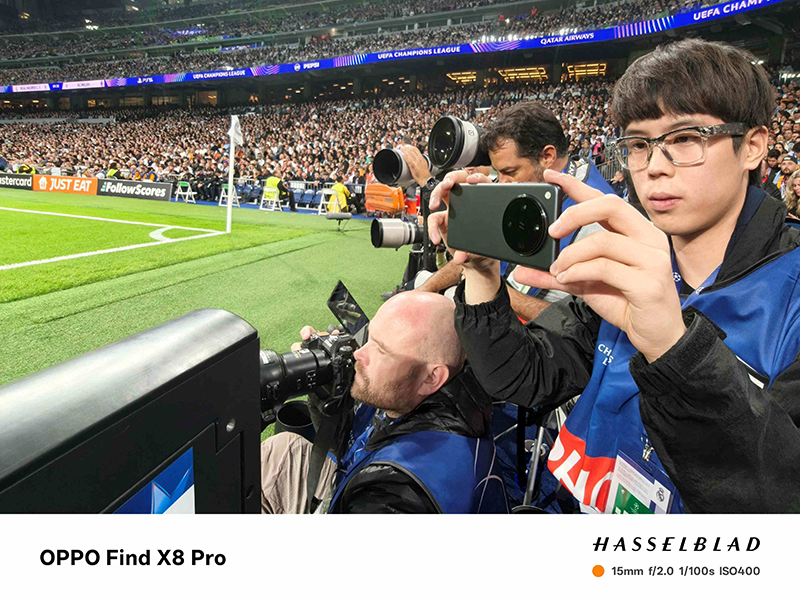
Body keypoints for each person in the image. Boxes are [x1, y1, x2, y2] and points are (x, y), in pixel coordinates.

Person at [434, 38, 800, 513]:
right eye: (639, 144)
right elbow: (525, 377)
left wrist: (673, 347)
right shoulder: (630, 256)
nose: (654, 168)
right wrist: (482, 273)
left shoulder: (789, 292)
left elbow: (779, 500)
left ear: (752, 146)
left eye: (685, 138)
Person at [259, 291, 507, 514]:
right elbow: (349, 450)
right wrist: (327, 396)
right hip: (352, 476)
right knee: (282, 446)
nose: (358, 354)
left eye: (382, 350)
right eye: (370, 338)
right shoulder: (418, 393)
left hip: (364, 490)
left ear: (432, 377)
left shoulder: (394, 495)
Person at [420, 102, 614, 322]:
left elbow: (582, 329)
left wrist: (491, 287)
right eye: (498, 172)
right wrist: (425, 289)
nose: (501, 182)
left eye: (510, 171)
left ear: (547, 156)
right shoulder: (532, 186)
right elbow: (474, 260)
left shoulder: (597, 221)